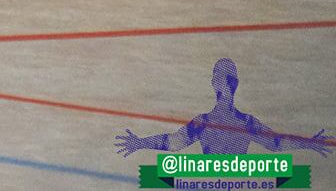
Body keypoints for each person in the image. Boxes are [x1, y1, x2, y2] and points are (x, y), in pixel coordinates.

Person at [116, 59, 330, 159]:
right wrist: (308, 143)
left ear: (216, 83)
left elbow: (172, 143)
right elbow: (276, 144)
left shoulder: (205, 123)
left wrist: (140, 142)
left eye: (216, 77)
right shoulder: (246, 123)